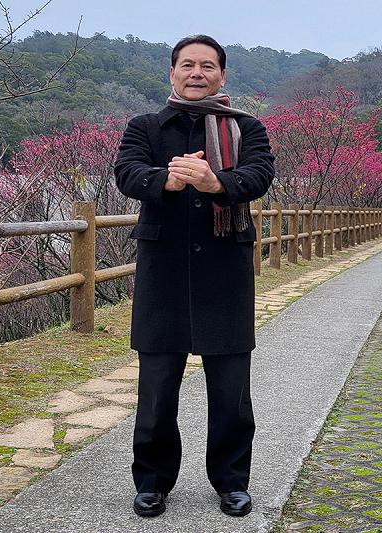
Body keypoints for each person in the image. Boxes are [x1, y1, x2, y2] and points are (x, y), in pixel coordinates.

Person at [114, 34, 275, 518]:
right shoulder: (145, 126)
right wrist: (165, 178)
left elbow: (260, 175)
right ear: (172, 73)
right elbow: (126, 172)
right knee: (157, 389)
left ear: (222, 75)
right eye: (187, 65)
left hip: (225, 271)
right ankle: (152, 482)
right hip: (163, 271)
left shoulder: (247, 127)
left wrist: (216, 182)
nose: (197, 73)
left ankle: (232, 481)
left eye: (207, 65)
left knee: (231, 390)